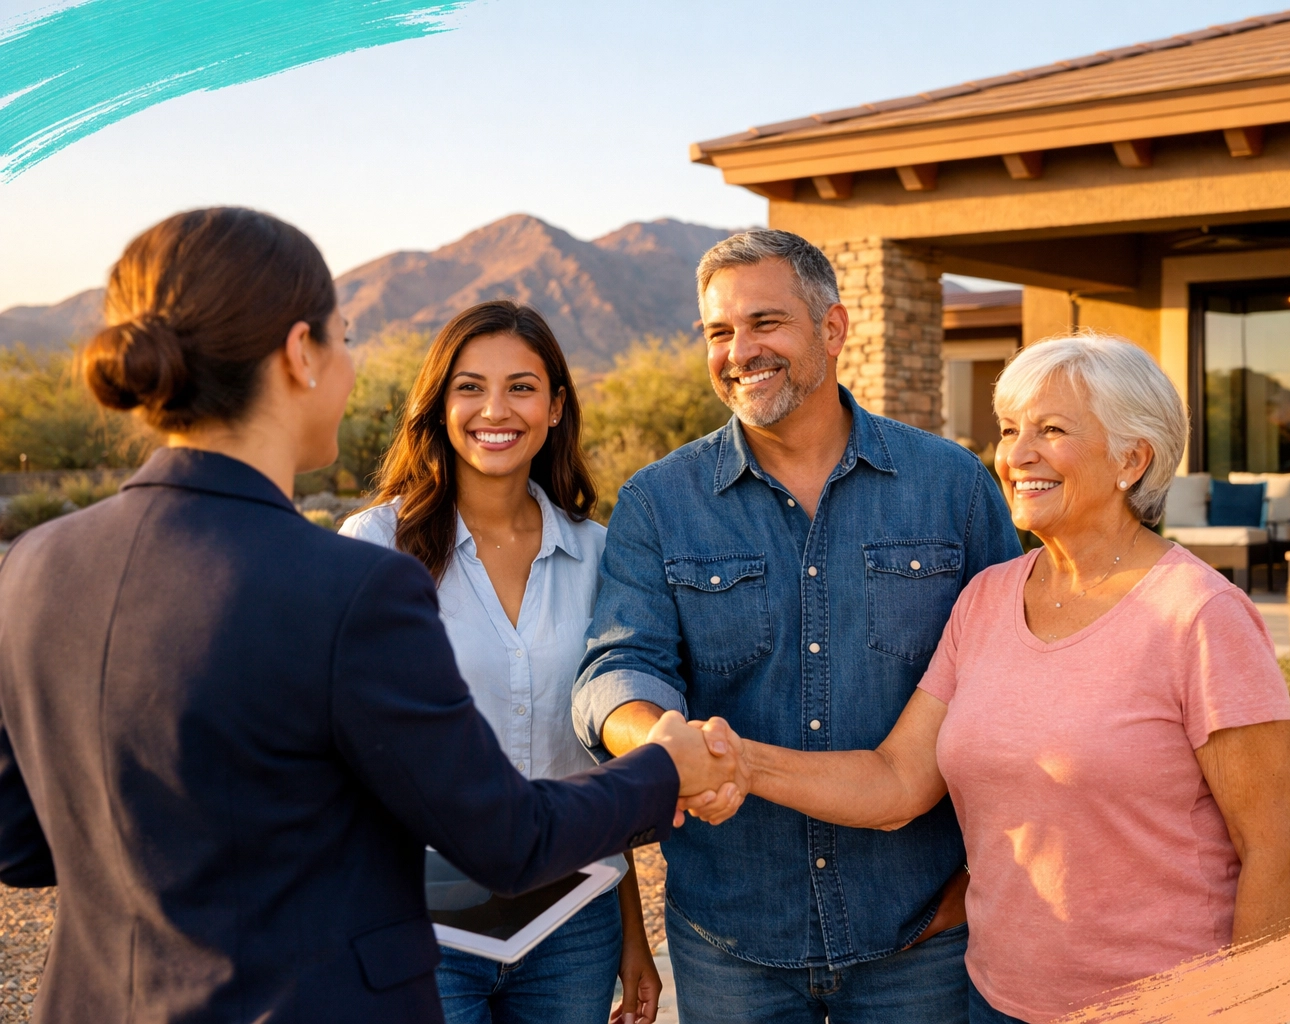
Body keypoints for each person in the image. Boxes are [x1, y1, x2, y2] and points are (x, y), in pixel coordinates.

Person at [0, 208, 738, 1024]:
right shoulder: (355, 581)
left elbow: (21, 840)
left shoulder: (32, 564)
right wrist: (667, 765)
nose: (351, 366)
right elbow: (506, 838)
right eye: (345, 338)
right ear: (299, 354)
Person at [704, 333, 1290, 1023]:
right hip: (997, 1000)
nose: (1017, 455)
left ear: (1131, 459)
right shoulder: (987, 599)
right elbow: (898, 781)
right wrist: (741, 762)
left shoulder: (1201, 617)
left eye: (1051, 430)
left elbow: (1276, 845)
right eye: (1011, 429)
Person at [570, 229, 1021, 1023]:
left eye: (764, 323)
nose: (739, 351)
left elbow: (1018, 694)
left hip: (922, 935)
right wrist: (668, 748)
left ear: (833, 328)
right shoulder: (658, 501)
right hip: (731, 942)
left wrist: (987, 880)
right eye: (718, 331)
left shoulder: (950, 485)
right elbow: (618, 668)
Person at [341, 300, 662, 1024]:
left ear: (555, 407)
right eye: (469, 386)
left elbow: (598, 764)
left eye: (521, 386)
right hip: (421, 920)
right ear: (439, 405)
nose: (496, 408)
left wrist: (632, 932)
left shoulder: (600, 553)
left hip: (572, 925)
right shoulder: (374, 544)